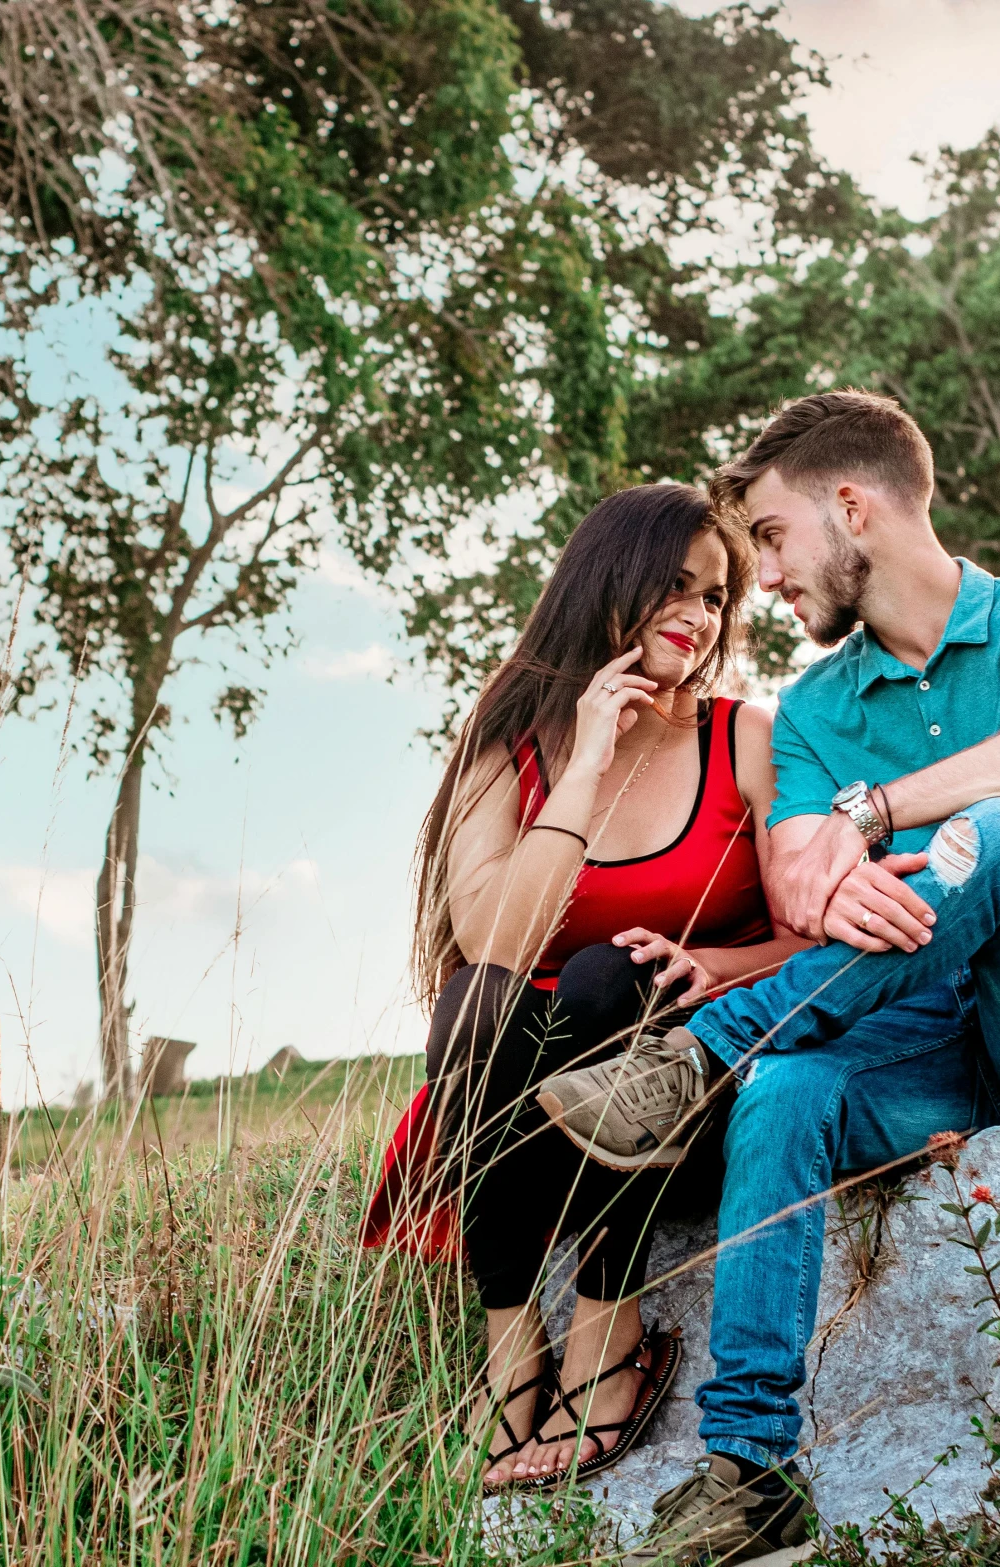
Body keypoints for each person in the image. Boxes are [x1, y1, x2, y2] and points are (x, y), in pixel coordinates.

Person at [533, 392, 1000, 1566]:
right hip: (918, 1039)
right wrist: (834, 860)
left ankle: (700, 1053)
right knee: (786, 1091)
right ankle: (748, 1470)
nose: (763, 579)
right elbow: (800, 876)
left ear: (851, 505)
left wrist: (881, 813)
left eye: (772, 538)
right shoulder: (822, 707)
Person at [385, 482, 851, 1493]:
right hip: (513, 1138)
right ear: (607, 586)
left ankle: (610, 1322)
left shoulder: (744, 737)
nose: (699, 614)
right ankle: (513, 1341)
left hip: (678, 1104)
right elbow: (493, 940)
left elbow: (805, 934)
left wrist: (716, 966)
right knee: (479, 998)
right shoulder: (510, 743)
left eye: (717, 595)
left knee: (608, 973)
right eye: (673, 586)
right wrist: (588, 759)